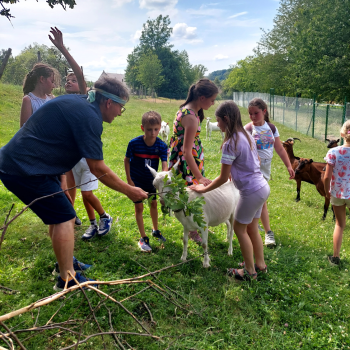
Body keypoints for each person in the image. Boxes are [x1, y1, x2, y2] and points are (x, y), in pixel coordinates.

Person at [0, 74, 148, 291]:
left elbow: (56, 140)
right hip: (24, 168)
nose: (119, 113)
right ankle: (67, 279)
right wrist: (129, 190)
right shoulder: (89, 117)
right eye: (120, 107)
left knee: (61, 214)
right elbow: (97, 168)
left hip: (33, 165)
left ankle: (64, 263)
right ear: (108, 102)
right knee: (65, 218)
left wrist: (60, 177)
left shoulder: (80, 103)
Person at [191, 101, 270, 281]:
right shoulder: (246, 135)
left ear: (225, 119)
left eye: (218, 121)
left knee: (240, 229)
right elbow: (251, 161)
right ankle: (260, 264)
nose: (217, 124)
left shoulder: (231, 143)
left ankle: (250, 271)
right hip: (262, 187)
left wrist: (202, 189)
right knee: (252, 228)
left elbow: (221, 178)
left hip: (250, 192)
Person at [49, 27, 112, 240]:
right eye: (66, 80)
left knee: (87, 193)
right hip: (70, 158)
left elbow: (79, 74)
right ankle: (80, 219)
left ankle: (104, 217)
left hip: (88, 158)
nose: (69, 81)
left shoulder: (86, 99)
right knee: (71, 191)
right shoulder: (64, 103)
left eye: (72, 80)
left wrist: (62, 49)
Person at [168, 79, 218, 243]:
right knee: (192, 194)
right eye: (212, 100)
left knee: (189, 194)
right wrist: (200, 177)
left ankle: (194, 226)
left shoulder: (186, 109)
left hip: (186, 159)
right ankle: (192, 229)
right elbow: (186, 151)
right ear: (202, 98)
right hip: (187, 163)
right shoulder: (191, 117)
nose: (213, 103)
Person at [245, 98, 294, 247]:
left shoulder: (271, 128)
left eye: (256, 113)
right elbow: (242, 149)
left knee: (259, 199)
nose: (253, 117)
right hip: (253, 169)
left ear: (264, 111)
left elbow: (279, 148)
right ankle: (268, 233)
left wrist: (289, 166)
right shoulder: (248, 129)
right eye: (250, 114)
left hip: (266, 169)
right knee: (261, 199)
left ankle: (254, 224)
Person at [124, 111, 168, 252]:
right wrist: (129, 180)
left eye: (156, 129)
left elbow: (164, 165)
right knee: (139, 207)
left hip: (152, 181)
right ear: (142, 128)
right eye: (149, 129)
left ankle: (155, 229)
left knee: (153, 203)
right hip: (137, 180)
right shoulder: (134, 143)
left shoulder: (161, 145)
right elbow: (127, 160)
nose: (153, 133)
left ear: (160, 127)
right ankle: (143, 237)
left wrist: (164, 180)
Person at [324, 120, 350, 266]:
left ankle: (335, 257)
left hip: (337, 193)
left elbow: (327, 177)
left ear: (342, 133)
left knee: (340, 224)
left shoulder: (333, 152)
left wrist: (328, 192)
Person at [19, 62, 59, 127]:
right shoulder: (28, 100)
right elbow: (24, 129)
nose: (54, 86)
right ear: (42, 79)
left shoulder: (52, 98)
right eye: (52, 81)